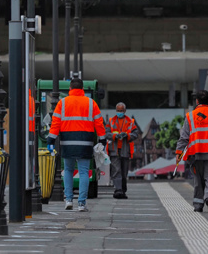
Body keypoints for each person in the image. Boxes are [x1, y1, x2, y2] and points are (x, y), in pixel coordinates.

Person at [47, 78, 107, 212]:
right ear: (82, 89)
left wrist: (51, 139)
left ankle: (68, 200)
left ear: (70, 88)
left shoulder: (62, 103)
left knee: (67, 170)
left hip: (67, 141)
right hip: (85, 141)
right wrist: (102, 140)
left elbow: (55, 123)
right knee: (84, 172)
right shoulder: (91, 103)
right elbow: (99, 123)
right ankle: (81, 203)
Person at [105, 102, 140, 199]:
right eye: (118, 111)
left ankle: (122, 190)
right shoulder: (111, 121)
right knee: (116, 170)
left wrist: (127, 135)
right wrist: (114, 136)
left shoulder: (130, 121)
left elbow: (135, 134)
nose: (119, 112)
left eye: (121, 111)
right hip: (114, 150)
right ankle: (118, 190)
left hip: (125, 150)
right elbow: (106, 133)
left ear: (125, 111)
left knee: (124, 172)